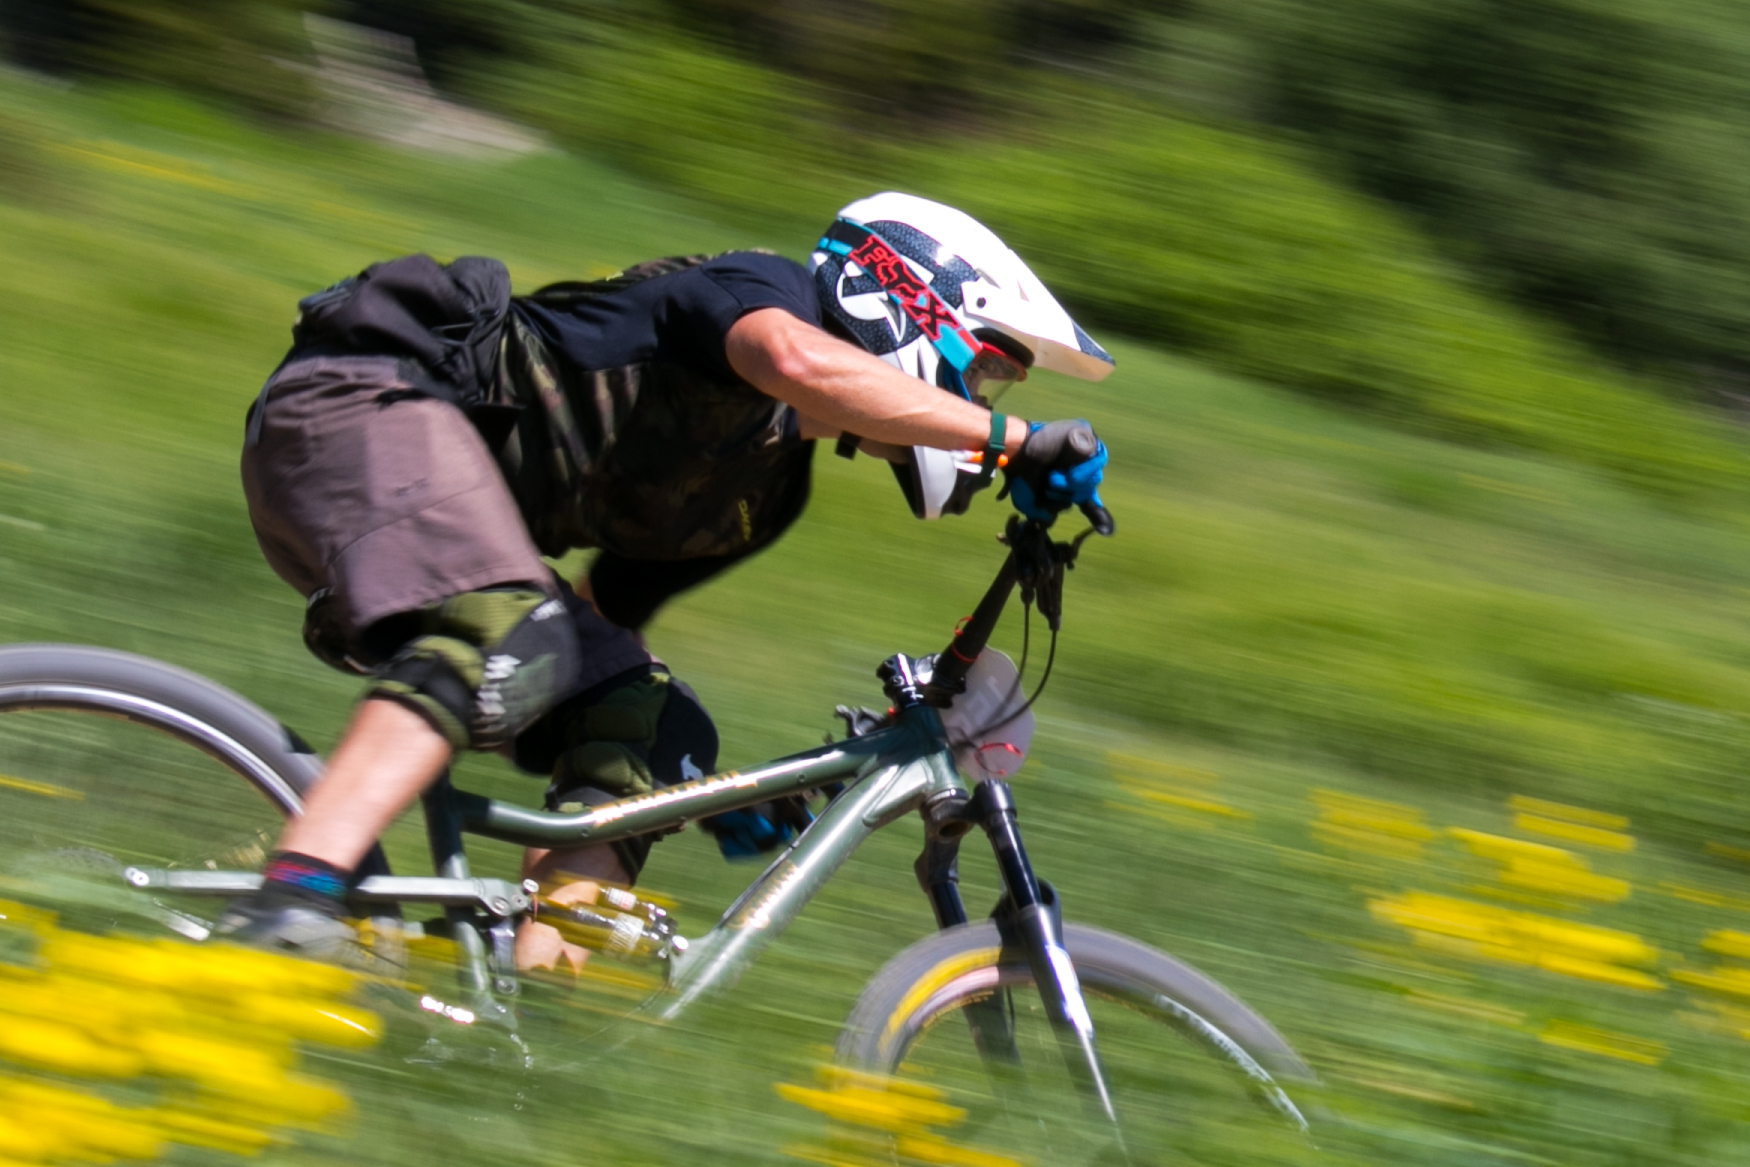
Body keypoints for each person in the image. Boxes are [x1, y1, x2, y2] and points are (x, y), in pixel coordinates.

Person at [219, 192, 1115, 972]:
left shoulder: (758, 497)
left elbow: (602, 622)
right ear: (898, 299)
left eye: (996, 394)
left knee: (652, 717)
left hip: (420, 519)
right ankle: (291, 902)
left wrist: (703, 793)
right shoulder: (760, 289)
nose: (983, 403)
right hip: (358, 408)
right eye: (987, 370)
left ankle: (538, 988)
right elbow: (794, 364)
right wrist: (1009, 443)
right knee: (510, 622)